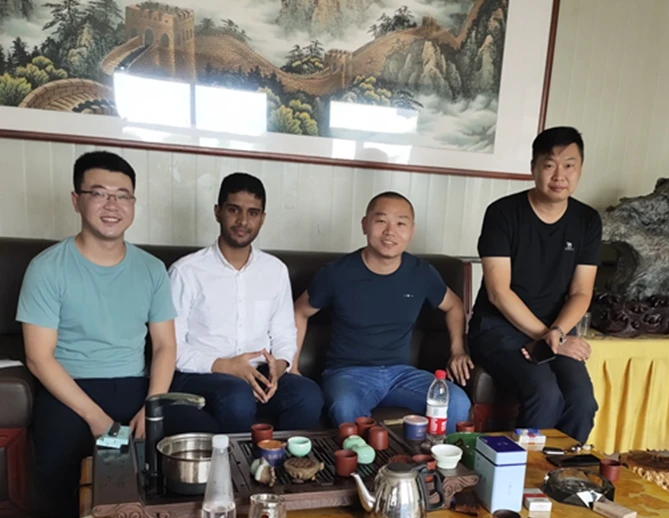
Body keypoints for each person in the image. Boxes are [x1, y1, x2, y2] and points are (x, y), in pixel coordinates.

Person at [17, 151, 179, 518]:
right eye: (99, 193)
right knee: (60, 459)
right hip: (70, 387)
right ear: (76, 200)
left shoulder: (152, 269)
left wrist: (152, 407)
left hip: (136, 386)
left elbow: (165, 345)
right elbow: (38, 358)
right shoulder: (47, 268)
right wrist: (96, 419)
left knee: (195, 438)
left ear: (133, 203)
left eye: (122, 195)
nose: (112, 205)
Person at [293, 191, 472, 432]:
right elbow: (299, 312)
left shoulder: (421, 273)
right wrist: (292, 367)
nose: (390, 232)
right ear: (365, 224)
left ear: (411, 230)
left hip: (402, 374)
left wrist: (457, 350)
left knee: (457, 401)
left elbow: (454, 305)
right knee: (345, 407)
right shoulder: (336, 274)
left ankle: (433, 456)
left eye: (400, 223)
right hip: (348, 373)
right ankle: (363, 458)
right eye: (381, 221)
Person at [468, 126, 601, 443]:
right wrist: (550, 337)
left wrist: (557, 333)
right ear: (533, 167)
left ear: (580, 169)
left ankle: (561, 468)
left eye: (569, 165)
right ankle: (525, 471)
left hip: (555, 329)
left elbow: (581, 292)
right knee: (545, 394)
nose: (559, 175)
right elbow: (498, 292)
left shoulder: (587, 220)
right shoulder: (503, 213)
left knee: (582, 401)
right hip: (499, 328)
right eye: (549, 164)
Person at [169, 173, 324, 433]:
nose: (243, 221)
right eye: (234, 210)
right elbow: (171, 347)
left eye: (253, 213)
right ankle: (238, 461)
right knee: (237, 396)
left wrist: (279, 366)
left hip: (259, 374)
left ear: (262, 218)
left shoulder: (275, 270)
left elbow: (284, 332)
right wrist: (225, 366)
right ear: (218, 212)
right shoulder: (186, 272)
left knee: (308, 395)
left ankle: (280, 458)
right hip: (202, 374)